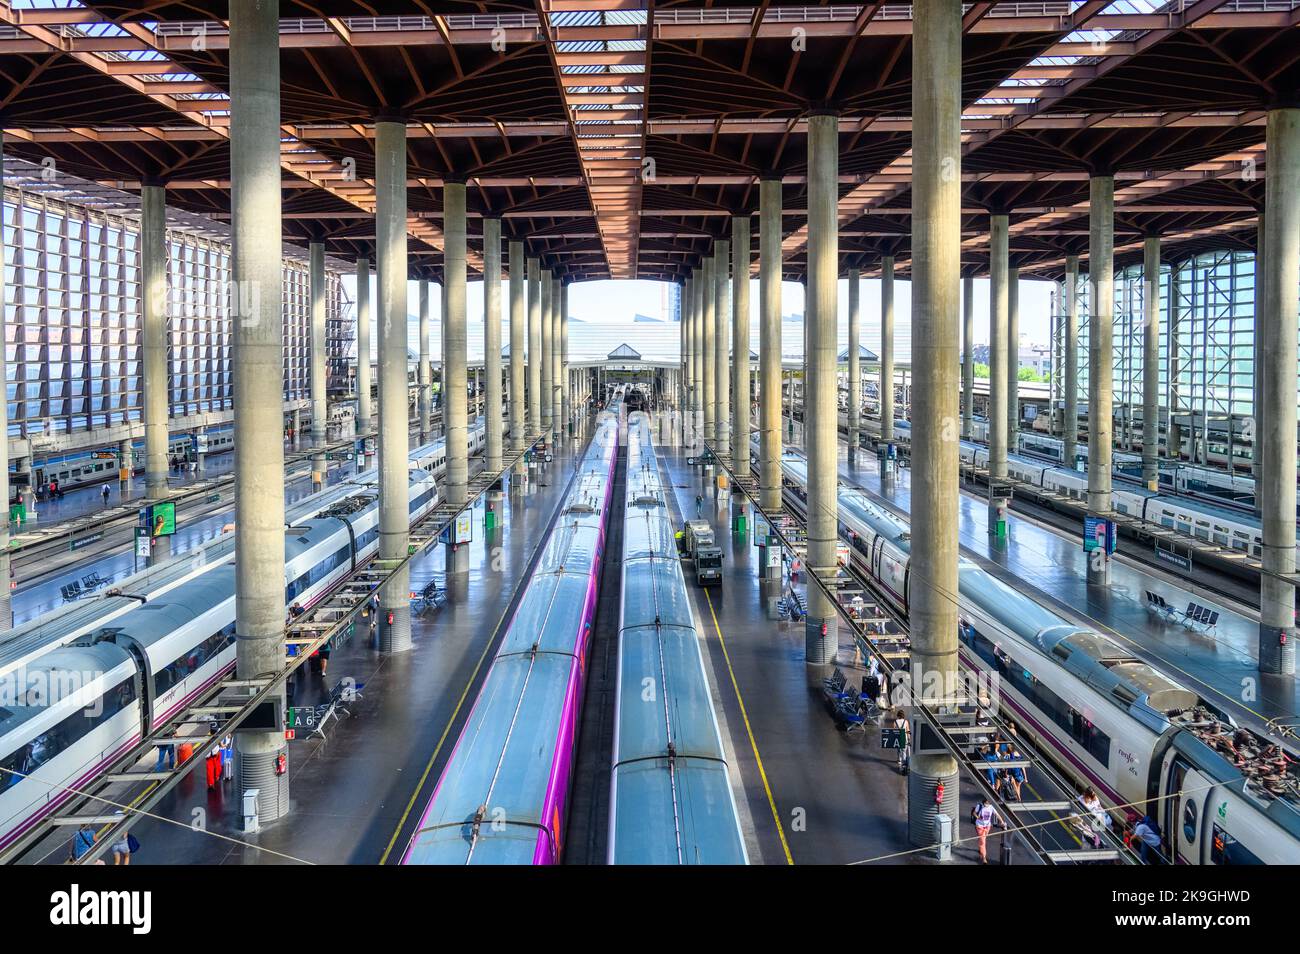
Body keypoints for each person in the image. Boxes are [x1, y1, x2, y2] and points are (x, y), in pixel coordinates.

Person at [971, 796, 1005, 864]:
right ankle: (984, 858)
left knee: (983, 839)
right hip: (979, 826)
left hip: (987, 826)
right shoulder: (979, 806)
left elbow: (997, 814)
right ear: (984, 802)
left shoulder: (991, 807)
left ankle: (981, 849)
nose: (987, 804)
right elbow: (974, 813)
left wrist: (1002, 822)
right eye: (986, 803)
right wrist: (978, 817)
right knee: (983, 842)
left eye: (989, 803)